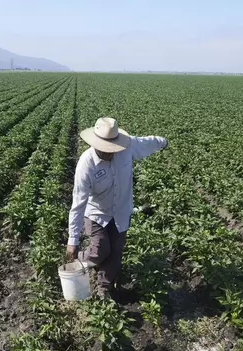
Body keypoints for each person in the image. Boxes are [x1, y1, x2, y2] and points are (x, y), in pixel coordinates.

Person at [66, 117, 168, 299]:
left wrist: (163, 142)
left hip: (121, 211)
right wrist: (73, 240)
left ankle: (104, 288)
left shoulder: (127, 146)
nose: (109, 153)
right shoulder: (86, 164)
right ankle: (82, 259)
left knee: (116, 251)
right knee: (100, 249)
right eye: (105, 149)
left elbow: (147, 142)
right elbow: (78, 203)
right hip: (96, 212)